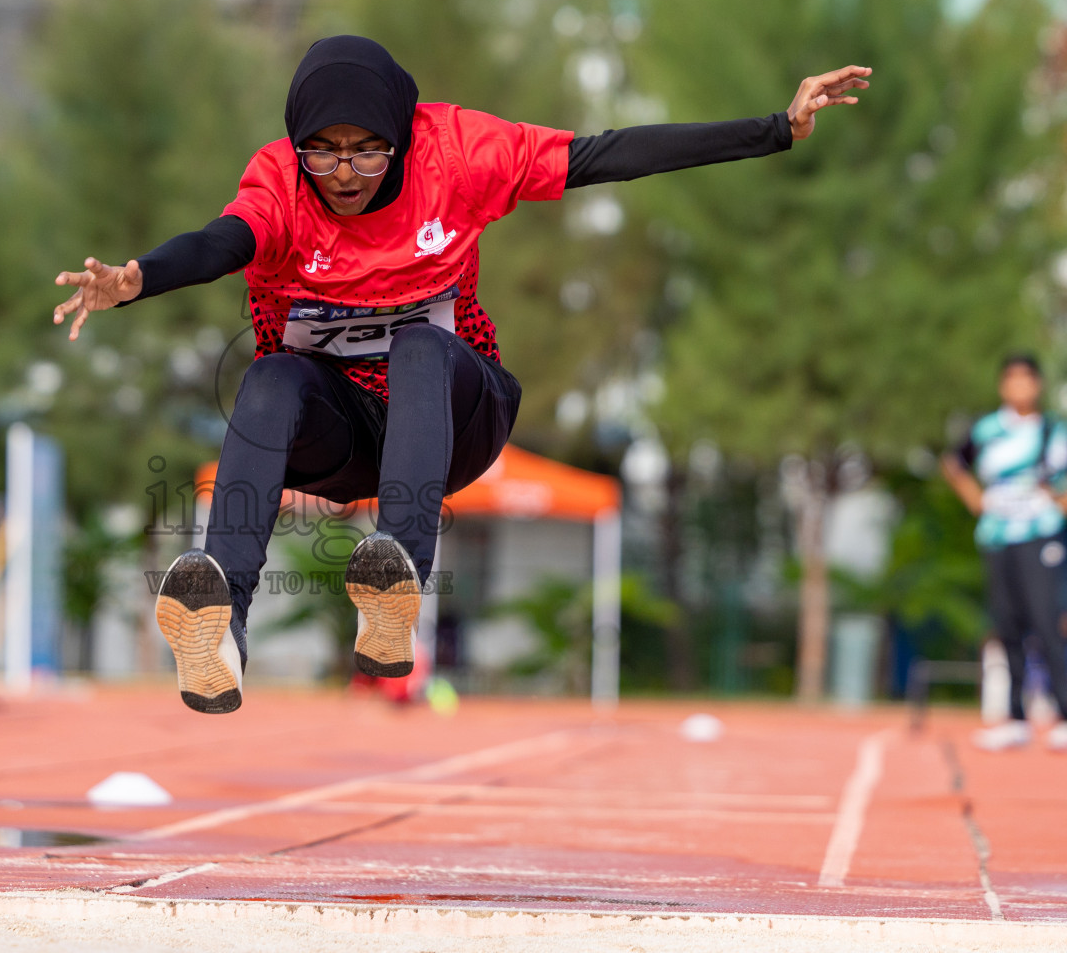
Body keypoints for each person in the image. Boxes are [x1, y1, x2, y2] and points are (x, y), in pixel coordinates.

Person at [54, 35, 870, 714]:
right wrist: (139, 279)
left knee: (418, 345)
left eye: (366, 152)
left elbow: (608, 155)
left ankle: (396, 579)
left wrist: (774, 128)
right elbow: (221, 240)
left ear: (402, 137)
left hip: (453, 415)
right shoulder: (279, 184)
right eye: (324, 154)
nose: (344, 174)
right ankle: (222, 623)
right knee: (268, 379)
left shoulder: (463, 153)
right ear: (297, 147)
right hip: (339, 438)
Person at [942, 354, 1067, 752]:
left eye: (1026, 379)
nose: (1019, 387)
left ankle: (1063, 714)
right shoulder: (987, 429)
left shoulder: (1052, 431)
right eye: (1011, 380)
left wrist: (1055, 505)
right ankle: (1015, 718)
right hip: (999, 537)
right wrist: (976, 500)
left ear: (1038, 386)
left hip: (1040, 535)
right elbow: (954, 463)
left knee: (1048, 623)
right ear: (1002, 386)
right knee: (1008, 626)